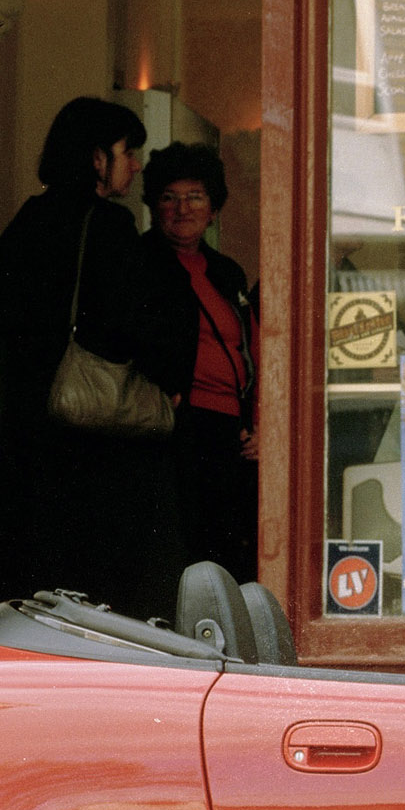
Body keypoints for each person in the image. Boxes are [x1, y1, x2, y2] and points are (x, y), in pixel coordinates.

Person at [0, 96, 180, 616]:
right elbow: (132, 321)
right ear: (96, 159)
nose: (134, 164)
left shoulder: (29, 216)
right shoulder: (109, 225)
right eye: (127, 151)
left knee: (33, 581)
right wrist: (166, 378)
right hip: (90, 434)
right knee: (93, 584)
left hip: (26, 426)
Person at [140, 142, 260, 582]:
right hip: (176, 429)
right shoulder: (139, 263)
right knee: (182, 552)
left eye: (195, 197)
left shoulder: (226, 271)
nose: (182, 208)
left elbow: (255, 351)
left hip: (232, 433)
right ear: (154, 205)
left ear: (213, 208)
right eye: (169, 197)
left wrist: (259, 423)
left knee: (231, 551)